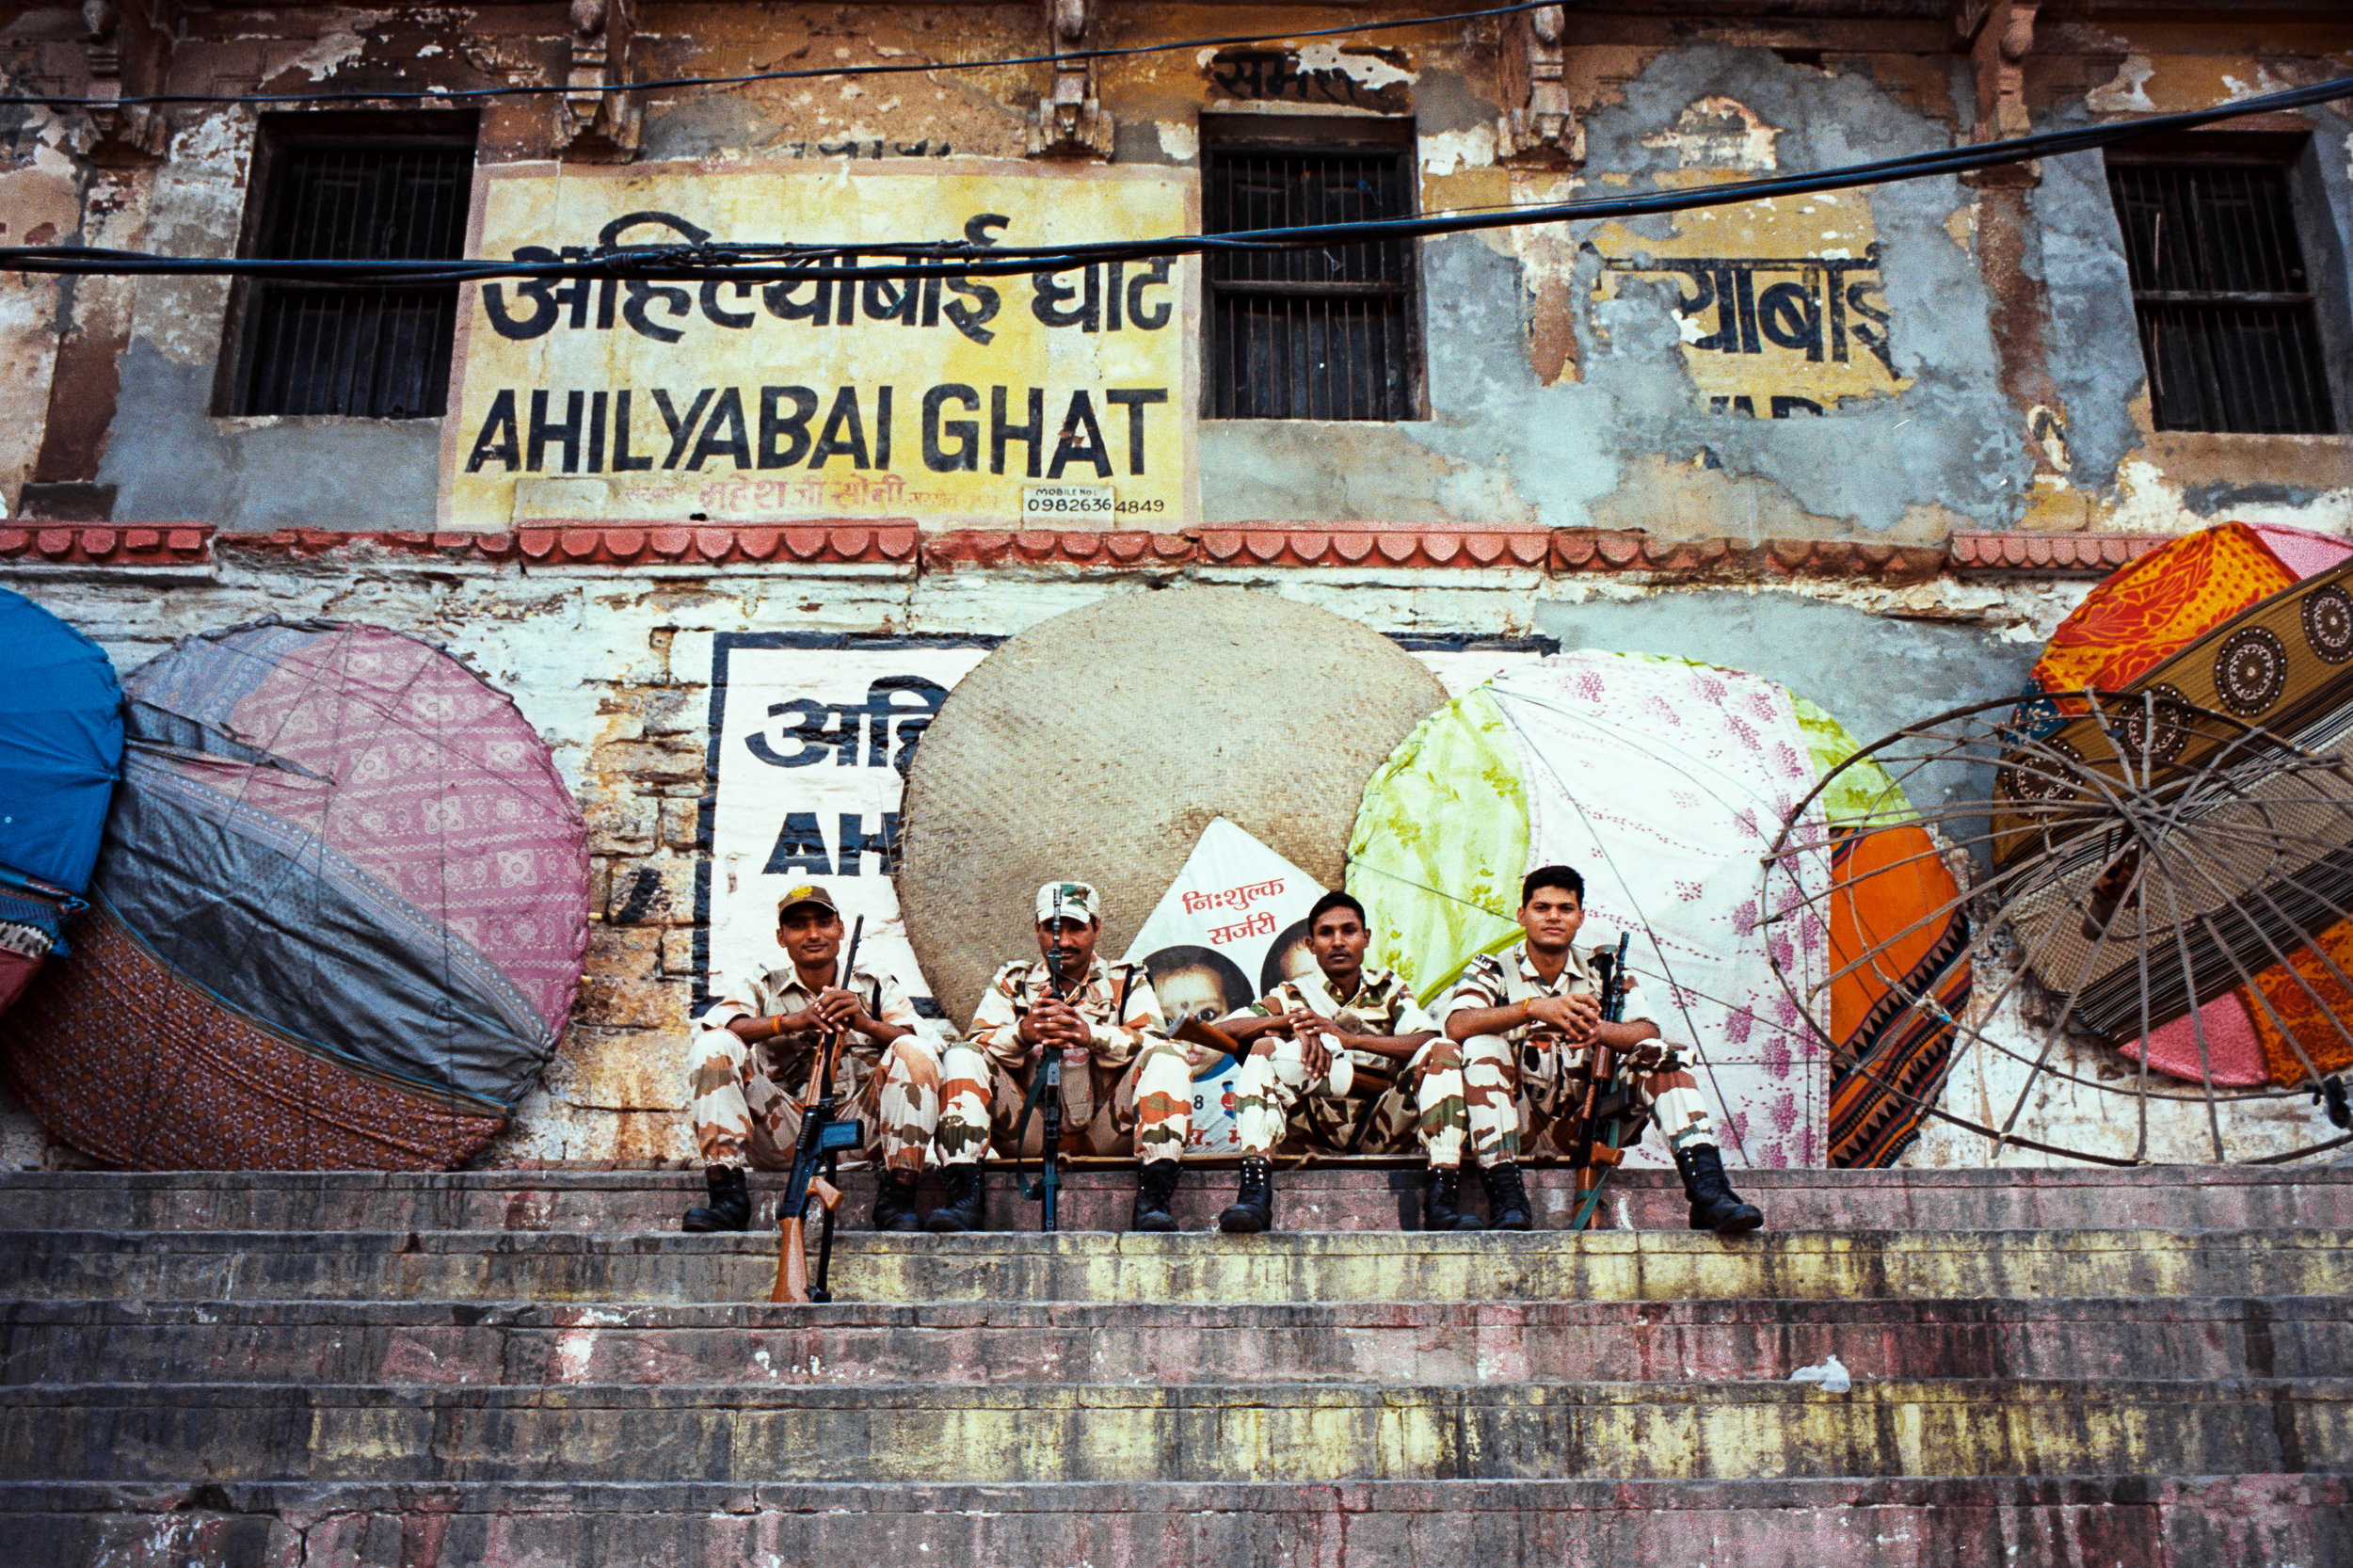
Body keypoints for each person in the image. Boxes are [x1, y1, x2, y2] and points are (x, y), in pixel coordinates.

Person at [1442, 864, 1764, 1235]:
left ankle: (1709, 1193)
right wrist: (1531, 1009)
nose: (1553, 917)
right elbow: (1457, 1025)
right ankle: (1508, 1202)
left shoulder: (1604, 969)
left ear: (1580, 917)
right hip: (1514, 1122)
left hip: (1589, 1119)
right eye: (1541, 907)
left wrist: (1598, 1030)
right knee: (1482, 1044)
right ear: (1522, 915)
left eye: (1565, 909)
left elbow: (1647, 1031)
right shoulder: (1492, 969)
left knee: (1662, 1056)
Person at [681, 882, 955, 1234]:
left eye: (823, 923)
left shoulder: (873, 984)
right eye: (798, 926)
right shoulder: (764, 983)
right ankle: (727, 1197)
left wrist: (864, 1024)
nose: (813, 934)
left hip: (861, 1132)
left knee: (914, 1051)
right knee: (714, 1045)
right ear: (781, 937)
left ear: (841, 930)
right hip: (787, 1133)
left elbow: (928, 1044)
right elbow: (715, 1027)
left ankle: (898, 1199)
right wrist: (790, 1022)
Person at [943, 879, 1196, 1231]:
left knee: (1169, 1057)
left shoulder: (1126, 980)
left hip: (1107, 1130)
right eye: (1052, 928)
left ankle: (1154, 1198)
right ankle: (963, 1198)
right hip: (1028, 1129)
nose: (1062, 940)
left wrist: (1091, 1036)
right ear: (1037, 929)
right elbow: (976, 1043)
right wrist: (1023, 1033)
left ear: (1096, 927)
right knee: (962, 1056)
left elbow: (1151, 1041)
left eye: (1076, 927)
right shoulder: (1013, 982)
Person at [1209, 890, 1462, 1234]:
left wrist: (1352, 1040)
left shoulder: (1387, 988)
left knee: (1444, 1051)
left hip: (1382, 1124)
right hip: (1313, 1127)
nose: (1338, 941)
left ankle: (1444, 1196)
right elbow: (1223, 1029)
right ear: (1311, 945)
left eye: (1349, 931)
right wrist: (1290, 1022)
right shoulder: (1291, 994)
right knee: (1266, 1046)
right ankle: (1254, 1191)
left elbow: (1427, 1038)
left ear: (1366, 938)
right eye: (1327, 933)